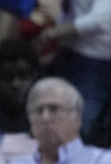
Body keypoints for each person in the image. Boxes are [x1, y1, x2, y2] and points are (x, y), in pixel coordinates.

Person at [41, 0, 111, 138]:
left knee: (76, 129)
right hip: (70, 56)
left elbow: (102, 18)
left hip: (92, 62)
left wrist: (55, 32)